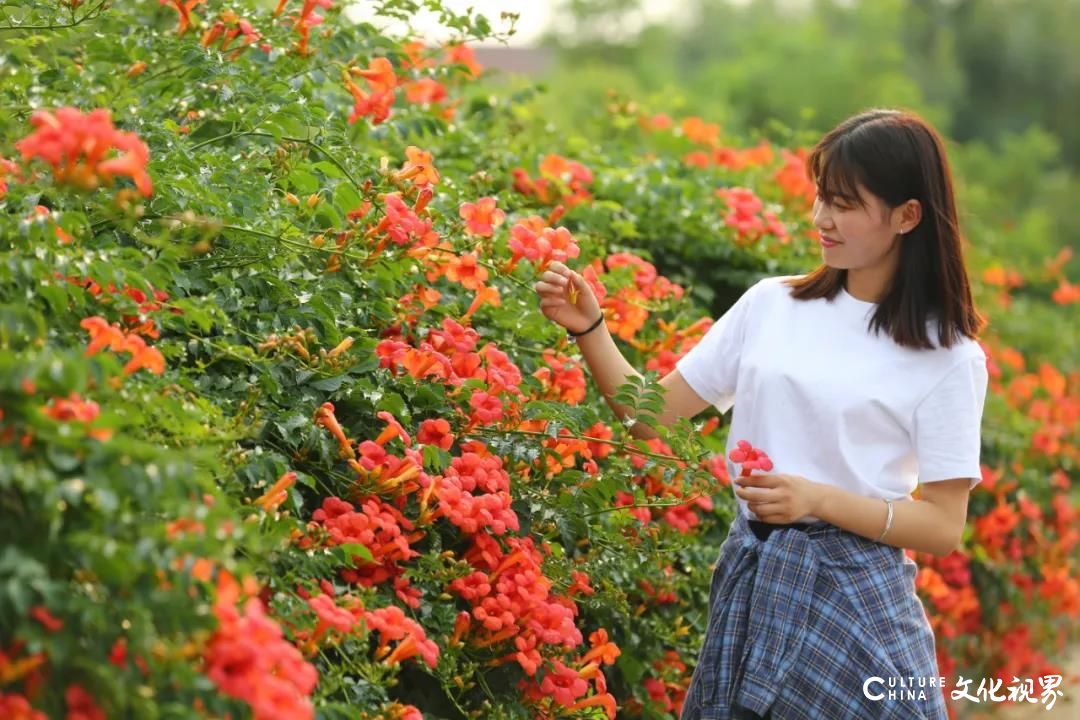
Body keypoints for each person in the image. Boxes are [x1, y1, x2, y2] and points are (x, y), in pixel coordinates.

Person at [532, 108, 990, 720]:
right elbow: (655, 415)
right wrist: (590, 328)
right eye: (822, 197)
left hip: (854, 599)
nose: (822, 219)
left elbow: (941, 525)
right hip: (754, 578)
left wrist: (816, 499)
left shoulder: (948, 357)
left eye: (846, 204)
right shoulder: (772, 305)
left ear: (908, 215)